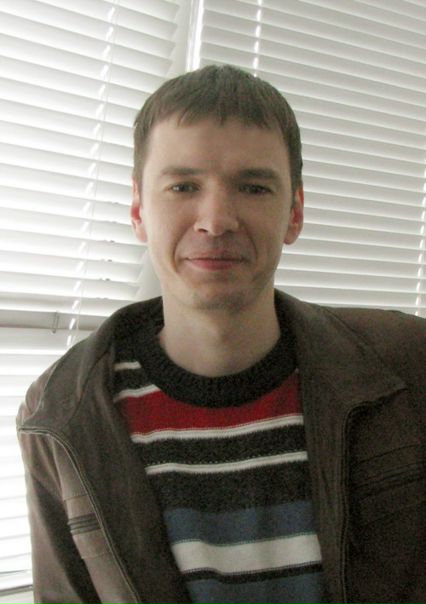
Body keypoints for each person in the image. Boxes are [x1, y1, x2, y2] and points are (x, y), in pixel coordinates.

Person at [17, 65, 425, 604]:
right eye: (183, 186)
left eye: (253, 187)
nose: (215, 220)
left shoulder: (410, 365)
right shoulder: (59, 414)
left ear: (295, 212)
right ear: (139, 210)